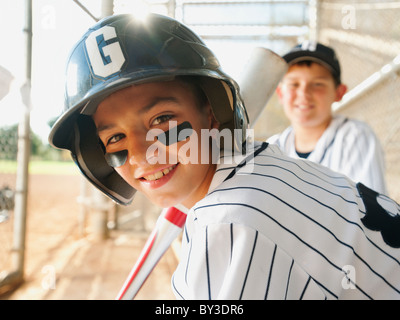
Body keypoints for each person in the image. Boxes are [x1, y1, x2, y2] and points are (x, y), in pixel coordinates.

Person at [49, 14, 400, 300]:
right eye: (114, 138)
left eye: (161, 119)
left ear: (212, 112)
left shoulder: (227, 221)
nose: (143, 153)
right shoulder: (263, 163)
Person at [268, 42, 388, 195]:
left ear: (339, 92)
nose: (304, 93)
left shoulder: (355, 136)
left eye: (317, 84)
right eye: (294, 84)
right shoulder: (273, 146)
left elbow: (370, 215)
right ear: (280, 93)